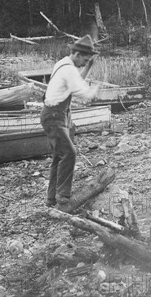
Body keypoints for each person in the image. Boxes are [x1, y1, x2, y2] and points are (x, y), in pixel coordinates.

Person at [40, 35, 99, 211]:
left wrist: (88, 67)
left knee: (59, 157)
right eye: (85, 60)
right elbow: (83, 92)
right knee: (70, 154)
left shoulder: (63, 63)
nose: (84, 63)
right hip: (54, 116)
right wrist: (96, 89)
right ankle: (63, 198)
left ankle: (51, 199)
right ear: (77, 54)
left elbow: (76, 81)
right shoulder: (69, 70)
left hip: (53, 115)